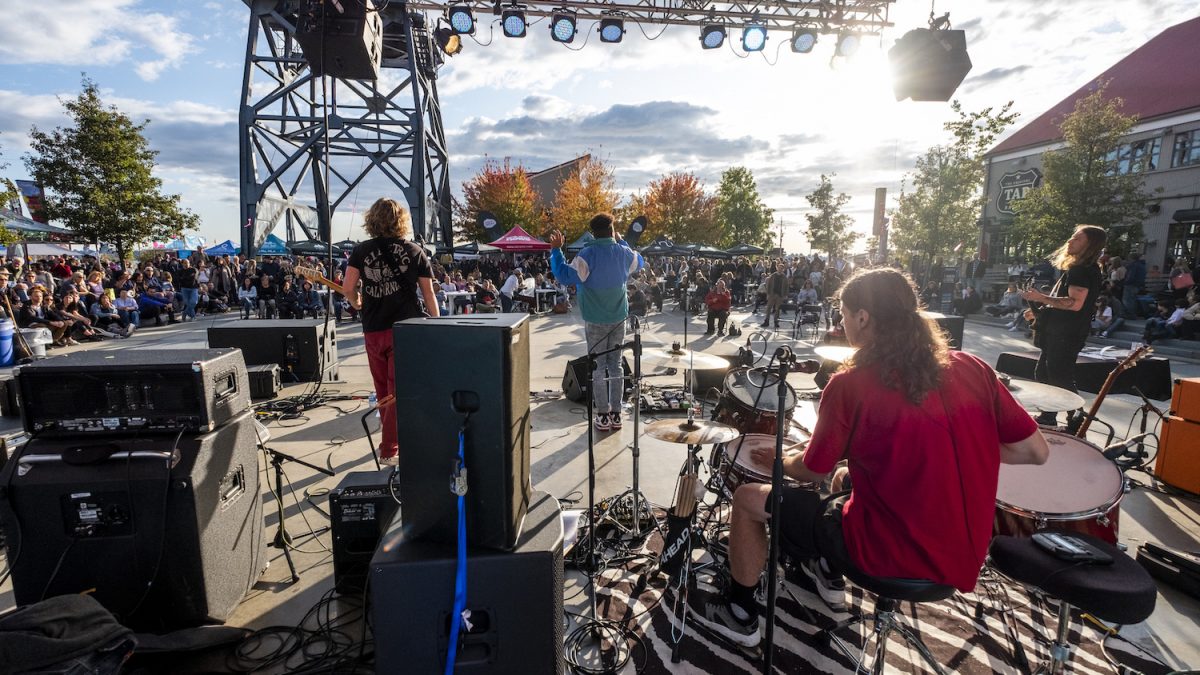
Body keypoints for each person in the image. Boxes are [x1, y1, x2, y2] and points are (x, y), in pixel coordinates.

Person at [693, 268, 1050, 647]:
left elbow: (812, 470)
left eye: (844, 315)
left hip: (889, 555)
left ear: (863, 317)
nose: (841, 323)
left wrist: (779, 461)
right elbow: (1035, 450)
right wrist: (956, 444)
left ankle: (739, 612)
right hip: (966, 554)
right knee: (844, 479)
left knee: (749, 498)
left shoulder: (850, 384)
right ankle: (826, 573)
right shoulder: (972, 367)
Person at [343, 197, 439, 466]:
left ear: (371, 220)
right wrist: (437, 325)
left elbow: (348, 287)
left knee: (383, 390)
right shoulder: (415, 251)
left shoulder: (361, 251)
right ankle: (390, 448)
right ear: (402, 221)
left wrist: (357, 302)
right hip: (406, 330)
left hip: (373, 328)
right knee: (400, 391)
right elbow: (429, 294)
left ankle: (390, 444)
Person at [548, 213, 644, 432]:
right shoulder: (623, 252)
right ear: (612, 231)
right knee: (616, 365)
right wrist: (622, 241)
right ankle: (616, 414)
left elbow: (564, 276)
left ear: (593, 233)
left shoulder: (587, 255)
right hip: (618, 319)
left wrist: (556, 250)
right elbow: (640, 262)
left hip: (595, 320)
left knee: (598, 367)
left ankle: (603, 415)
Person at [1020, 225, 1107, 426]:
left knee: (1060, 378)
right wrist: (1040, 310)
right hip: (1061, 331)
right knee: (1044, 373)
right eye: (1072, 236)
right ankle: (1049, 416)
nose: (1070, 241)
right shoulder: (1080, 269)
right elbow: (1067, 302)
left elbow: (1075, 304)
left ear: (1090, 245)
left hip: (1067, 334)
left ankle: (1076, 421)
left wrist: (1041, 297)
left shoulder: (1081, 271)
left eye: (1077, 238)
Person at [762, 263, 787, 329]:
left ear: (783, 269)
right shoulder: (773, 275)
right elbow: (769, 285)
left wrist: (785, 295)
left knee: (777, 309)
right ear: (777, 268)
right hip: (772, 294)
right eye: (779, 268)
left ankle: (776, 321)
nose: (780, 269)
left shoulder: (784, 277)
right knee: (768, 308)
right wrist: (768, 293)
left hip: (780, 295)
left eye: (782, 268)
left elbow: (786, 286)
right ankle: (766, 321)